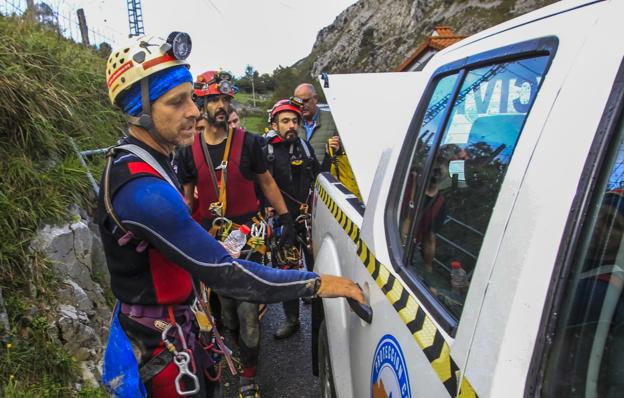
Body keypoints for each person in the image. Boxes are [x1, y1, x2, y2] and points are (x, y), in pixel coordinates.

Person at [99, 33, 364, 398]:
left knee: (240, 322)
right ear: (139, 112)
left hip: (169, 318)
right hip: (159, 342)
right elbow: (226, 273)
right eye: (177, 102)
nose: (194, 110)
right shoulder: (143, 189)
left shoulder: (149, 160)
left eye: (192, 98)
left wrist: (284, 219)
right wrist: (321, 283)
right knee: (232, 318)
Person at [175, 70, 299, 398]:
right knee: (226, 310)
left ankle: (248, 377)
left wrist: (286, 218)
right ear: (200, 102)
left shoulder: (251, 143)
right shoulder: (188, 151)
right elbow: (187, 199)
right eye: (213, 99)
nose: (220, 105)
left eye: (225, 99)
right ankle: (234, 349)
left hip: (246, 234)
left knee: (247, 311)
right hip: (210, 238)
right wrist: (176, 233)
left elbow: (267, 182)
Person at [262, 98, 326, 339]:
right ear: (274, 124)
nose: (291, 125)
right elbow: (257, 184)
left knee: (316, 264)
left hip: (307, 218)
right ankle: (292, 319)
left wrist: (333, 155)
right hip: (280, 221)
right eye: (285, 121)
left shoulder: (305, 147)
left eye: (294, 121)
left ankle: (321, 314)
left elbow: (319, 175)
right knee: (287, 269)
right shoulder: (265, 150)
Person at [294, 83, 362, 200]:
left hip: (328, 189)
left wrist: (339, 149)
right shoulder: (293, 124)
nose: (301, 105)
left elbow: (350, 153)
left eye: (305, 101)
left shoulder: (334, 119)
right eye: (297, 102)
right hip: (301, 189)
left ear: (315, 99)